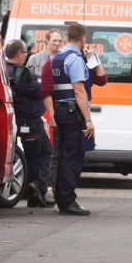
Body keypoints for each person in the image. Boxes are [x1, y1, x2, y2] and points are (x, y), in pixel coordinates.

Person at [39, 44, 107, 205]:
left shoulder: (83, 61)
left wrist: (93, 59)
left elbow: (102, 79)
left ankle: (63, 198)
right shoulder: (54, 62)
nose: (56, 44)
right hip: (68, 114)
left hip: (75, 114)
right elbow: (47, 91)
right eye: (53, 40)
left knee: (73, 157)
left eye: (58, 40)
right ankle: (62, 198)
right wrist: (53, 117)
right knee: (64, 158)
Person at [51, 23, 97, 216]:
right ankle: (68, 201)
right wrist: (88, 120)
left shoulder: (58, 57)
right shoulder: (75, 59)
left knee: (62, 156)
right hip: (73, 113)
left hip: (60, 110)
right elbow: (79, 90)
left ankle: (61, 198)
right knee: (73, 157)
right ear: (83, 38)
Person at [5, 39, 53, 208]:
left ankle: (38, 191)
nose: (27, 56)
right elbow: (36, 89)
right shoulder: (19, 72)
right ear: (19, 54)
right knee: (36, 156)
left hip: (25, 119)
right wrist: (42, 83)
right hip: (28, 119)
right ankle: (35, 190)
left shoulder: (4, 69)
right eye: (26, 53)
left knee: (44, 151)